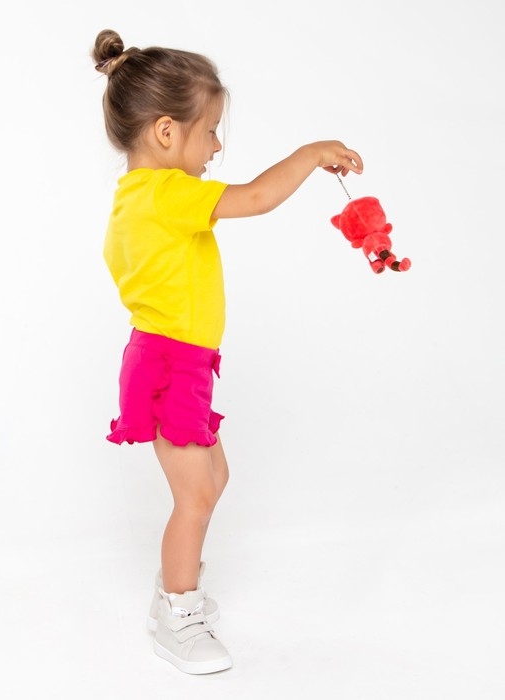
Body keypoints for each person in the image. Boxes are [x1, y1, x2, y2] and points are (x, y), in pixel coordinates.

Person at [92, 29, 363, 675]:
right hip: (169, 363)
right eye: (211, 130)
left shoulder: (141, 198)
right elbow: (256, 198)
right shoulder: (165, 193)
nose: (217, 145)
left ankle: (176, 586)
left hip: (180, 361)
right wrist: (309, 154)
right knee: (195, 496)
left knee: (214, 480)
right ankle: (177, 612)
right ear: (165, 132)